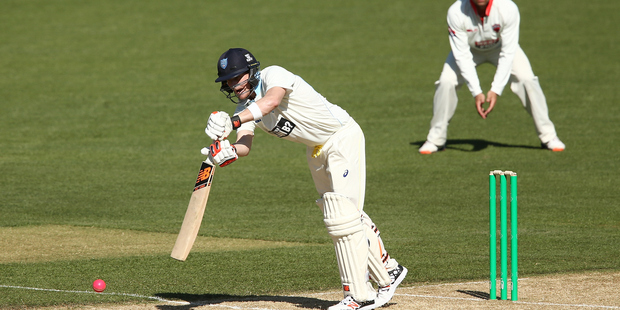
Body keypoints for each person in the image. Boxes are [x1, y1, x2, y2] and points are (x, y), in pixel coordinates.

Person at [202, 48, 407, 310]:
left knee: (342, 216)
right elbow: (245, 144)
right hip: (316, 149)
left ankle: (359, 296)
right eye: (228, 82)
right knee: (340, 213)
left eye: (236, 77)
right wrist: (228, 151)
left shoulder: (273, 75)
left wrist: (231, 122)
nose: (233, 85)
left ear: (251, 71)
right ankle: (388, 270)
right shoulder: (245, 108)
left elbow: (272, 102)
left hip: (342, 136)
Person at [419, 0, 565, 154]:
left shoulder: (508, 8)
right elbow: (462, 56)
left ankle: (548, 136)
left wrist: (496, 89)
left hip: (500, 47)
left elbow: (508, 52)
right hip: (470, 51)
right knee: (446, 82)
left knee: (526, 79)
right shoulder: (456, 12)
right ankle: (436, 139)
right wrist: (476, 92)